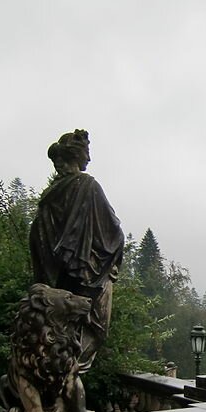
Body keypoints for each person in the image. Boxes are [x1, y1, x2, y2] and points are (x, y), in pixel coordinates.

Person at [29, 129, 124, 370]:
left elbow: (37, 237)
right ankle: (67, 381)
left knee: (58, 334)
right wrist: (111, 260)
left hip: (57, 278)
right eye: (87, 153)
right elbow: (113, 231)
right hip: (88, 274)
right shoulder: (88, 186)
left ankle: (59, 387)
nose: (89, 160)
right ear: (77, 155)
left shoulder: (50, 196)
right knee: (94, 328)